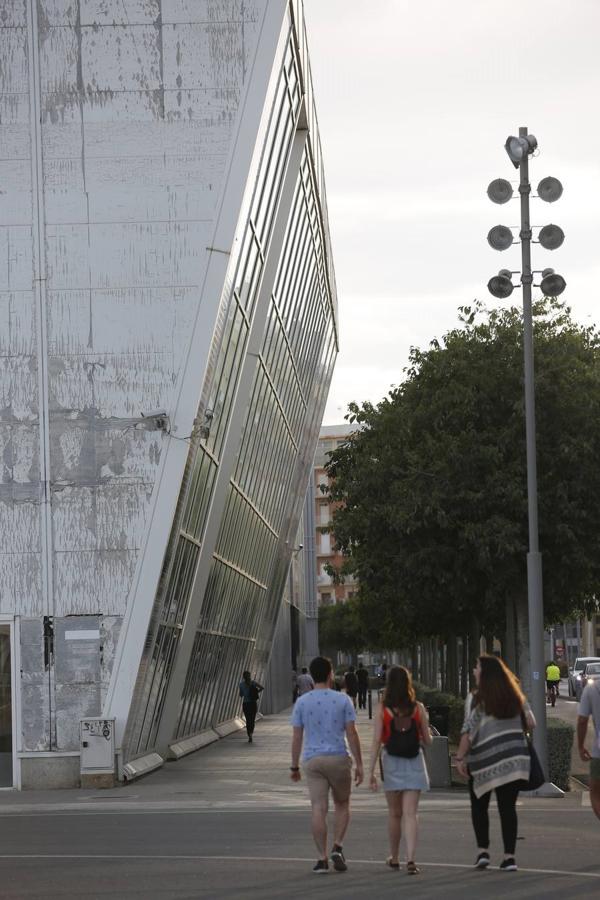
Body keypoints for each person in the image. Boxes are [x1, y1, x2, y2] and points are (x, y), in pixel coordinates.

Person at [455, 655, 536, 872]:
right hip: (513, 759)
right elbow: (531, 721)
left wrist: (460, 758)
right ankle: (510, 857)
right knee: (507, 808)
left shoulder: (476, 699)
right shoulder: (515, 696)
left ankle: (483, 852)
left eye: (477, 667)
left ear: (485, 673)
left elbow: (468, 731)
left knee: (479, 806)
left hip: (483, 760)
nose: (474, 671)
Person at [290, 656, 364, 873]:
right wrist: (359, 763)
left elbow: (297, 736)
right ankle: (337, 846)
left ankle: (321, 859)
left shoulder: (302, 702)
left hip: (313, 761)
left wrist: (294, 766)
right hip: (339, 757)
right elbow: (351, 732)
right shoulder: (343, 700)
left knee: (318, 808)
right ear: (331, 674)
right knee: (342, 804)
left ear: (312, 676)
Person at [368, 665, 432, 874]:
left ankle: (394, 857)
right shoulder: (418, 708)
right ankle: (411, 859)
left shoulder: (383, 710)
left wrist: (370, 772)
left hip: (391, 761)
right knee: (411, 813)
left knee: (395, 814)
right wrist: (426, 727)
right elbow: (428, 740)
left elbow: (377, 740)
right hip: (414, 760)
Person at [577, 674, 600, 820]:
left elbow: (582, 721)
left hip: (599, 753)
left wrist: (580, 746)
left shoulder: (592, 689)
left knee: (596, 793)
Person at [239, 670, 263, 743]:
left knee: (248, 720)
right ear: (249, 676)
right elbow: (262, 688)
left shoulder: (241, 684)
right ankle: (251, 734)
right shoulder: (253, 683)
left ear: (243, 677)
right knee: (252, 720)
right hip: (253, 704)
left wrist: (244, 692)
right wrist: (256, 692)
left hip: (246, 704)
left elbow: (241, 695)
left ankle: (249, 734)